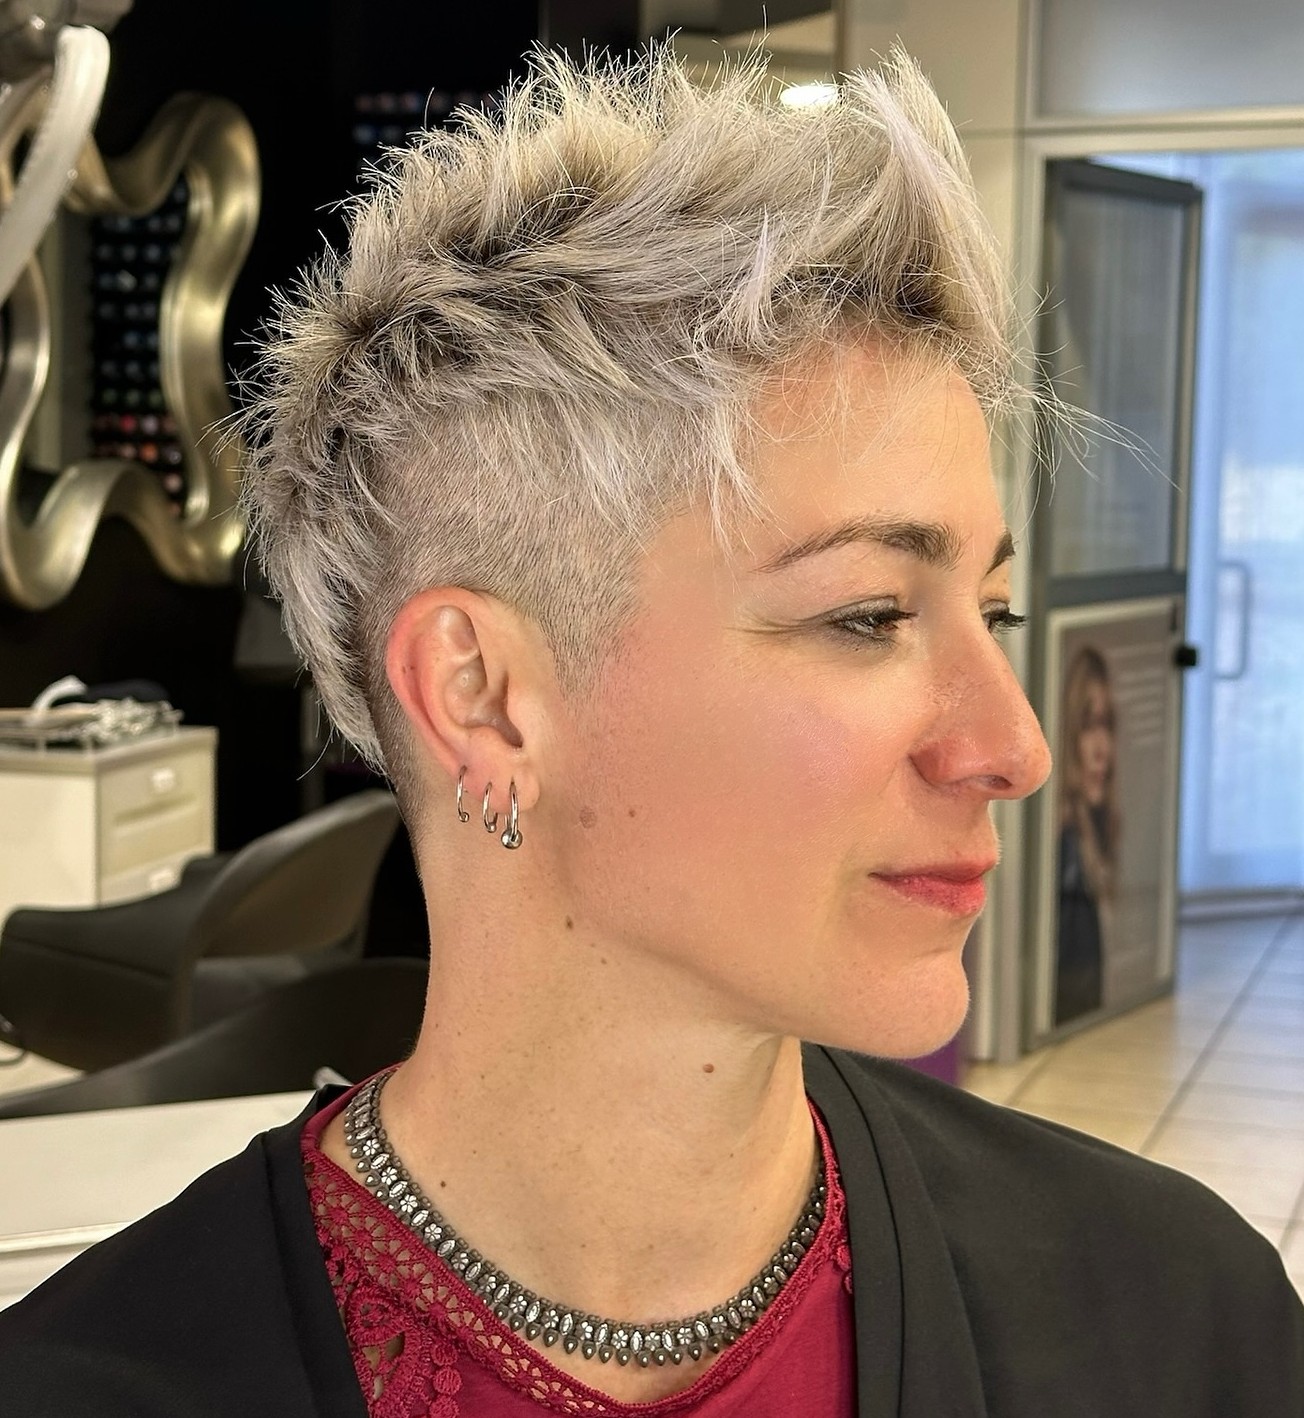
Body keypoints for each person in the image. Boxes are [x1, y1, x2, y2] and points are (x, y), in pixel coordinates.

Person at [1, 45, 1301, 1418]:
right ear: (482, 696)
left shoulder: (1177, 1322)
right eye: (868, 613)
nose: (1011, 745)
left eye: (991, 609)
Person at [1053, 645, 1119, 1025]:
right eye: (1088, 726)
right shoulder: (1061, 848)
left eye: (1107, 725)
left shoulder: (1093, 832)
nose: (1101, 750)